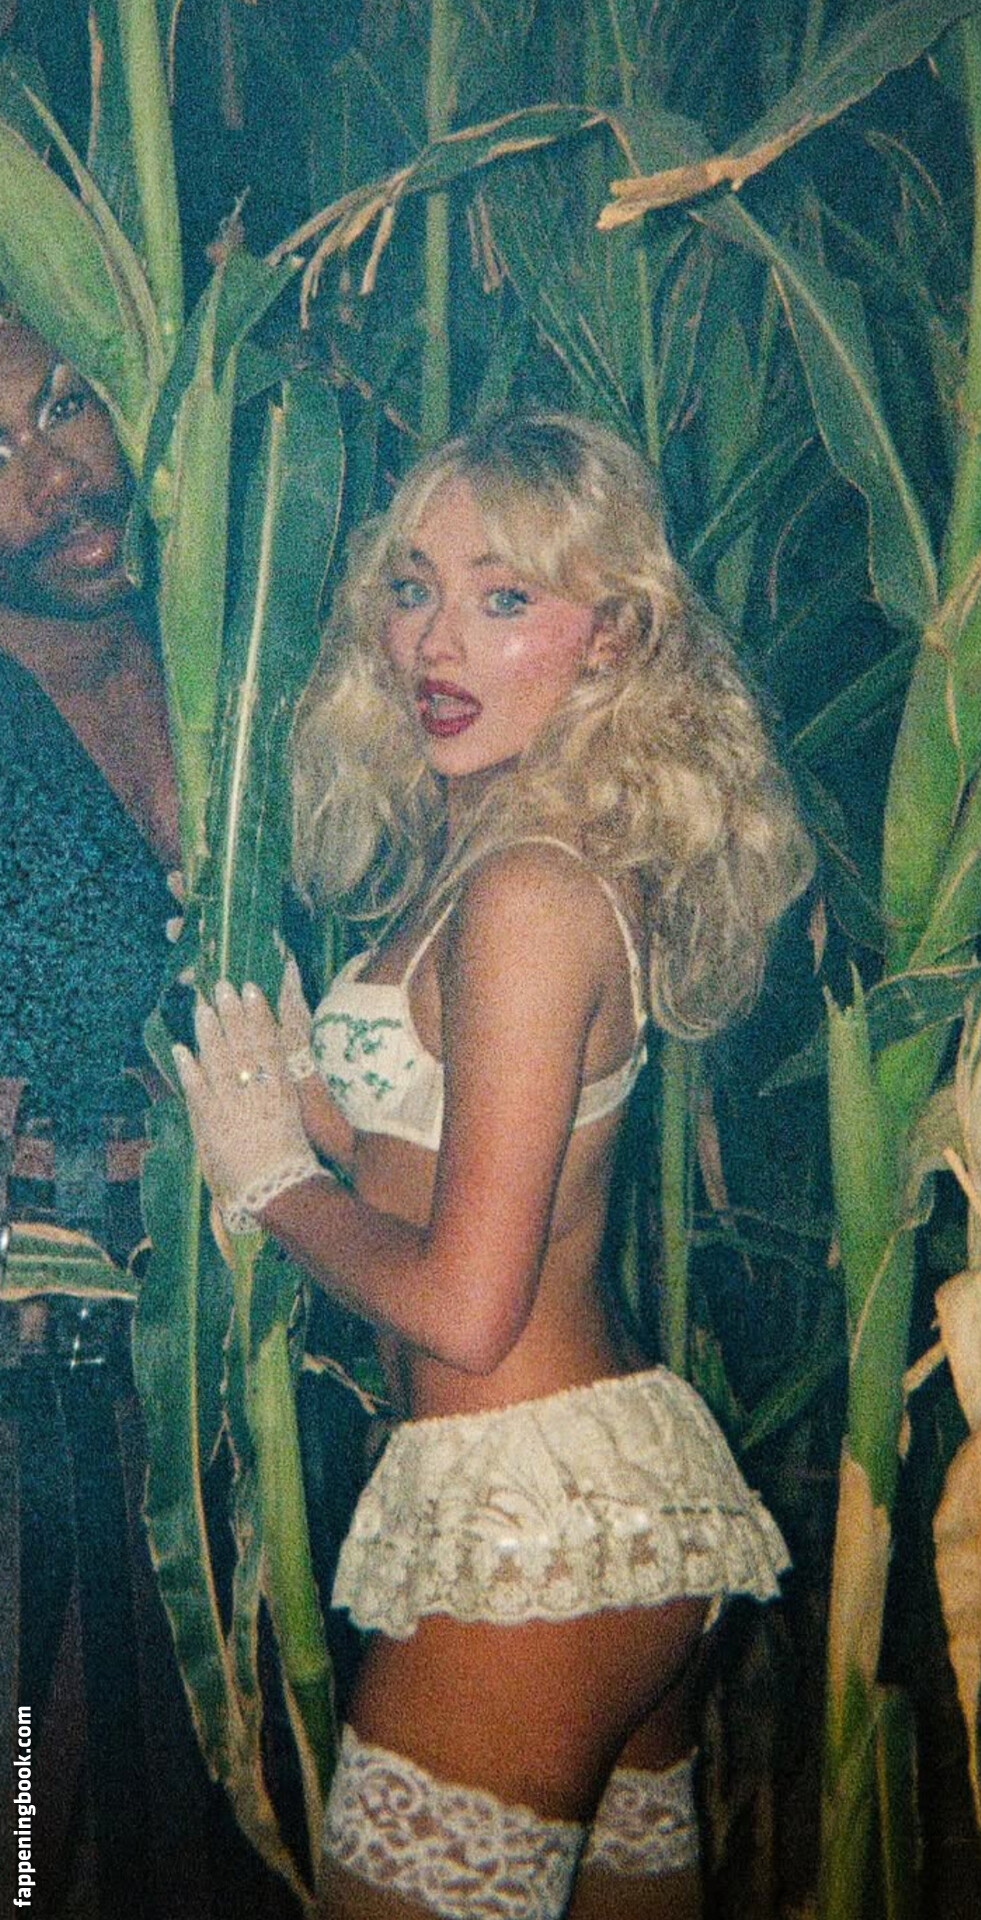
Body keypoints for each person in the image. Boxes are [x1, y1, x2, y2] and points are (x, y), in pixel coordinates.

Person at [174, 412, 814, 1920]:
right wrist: (307, 1098)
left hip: (530, 1526)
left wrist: (272, 1182)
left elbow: (465, 1307)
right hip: (594, 1501)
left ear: (615, 638)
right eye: (412, 588)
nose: (435, 643)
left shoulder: (528, 891)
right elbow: (422, 1161)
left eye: (505, 596)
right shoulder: (494, 861)